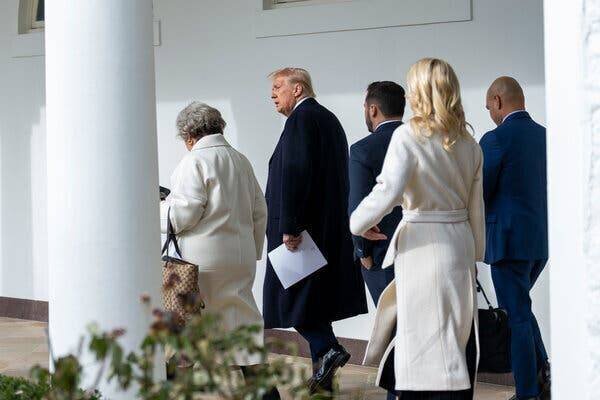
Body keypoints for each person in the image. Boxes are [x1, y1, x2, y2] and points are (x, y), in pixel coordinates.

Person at [350, 58, 484, 400]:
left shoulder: (409, 135)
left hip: (423, 243)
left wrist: (358, 222)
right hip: (459, 243)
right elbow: (475, 207)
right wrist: (476, 251)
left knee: (421, 339)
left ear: (419, 91)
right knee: (455, 332)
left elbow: (387, 190)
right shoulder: (468, 142)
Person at [160, 102, 279, 400]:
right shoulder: (240, 159)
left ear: (189, 135)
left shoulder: (194, 162)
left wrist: (159, 209)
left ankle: (170, 389)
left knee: (182, 328)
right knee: (242, 328)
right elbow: (259, 210)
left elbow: (184, 214)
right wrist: (251, 249)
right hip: (239, 258)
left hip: (200, 262)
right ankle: (267, 395)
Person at [263, 67, 368, 393]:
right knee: (312, 301)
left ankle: (327, 349)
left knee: (292, 300)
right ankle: (325, 376)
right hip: (324, 230)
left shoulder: (301, 119)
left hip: (301, 234)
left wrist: (291, 226)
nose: (272, 94)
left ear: (298, 89)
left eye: (278, 87)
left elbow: (296, 173)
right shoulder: (327, 119)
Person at [481, 77, 550, 400]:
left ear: (498, 101)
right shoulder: (545, 137)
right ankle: (544, 371)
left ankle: (527, 394)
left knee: (516, 316)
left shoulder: (495, 139)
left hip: (507, 243)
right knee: (521, 306)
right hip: (540, 242)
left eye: (489, 108)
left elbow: (479, 192)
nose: (490, 115)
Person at [349, 81, 405, 305]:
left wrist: (363, 252)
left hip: (382, 253)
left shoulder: (362, 149)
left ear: (372, 109)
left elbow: (357, 205)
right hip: (423, 247)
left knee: (392, 327)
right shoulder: (424, 142)